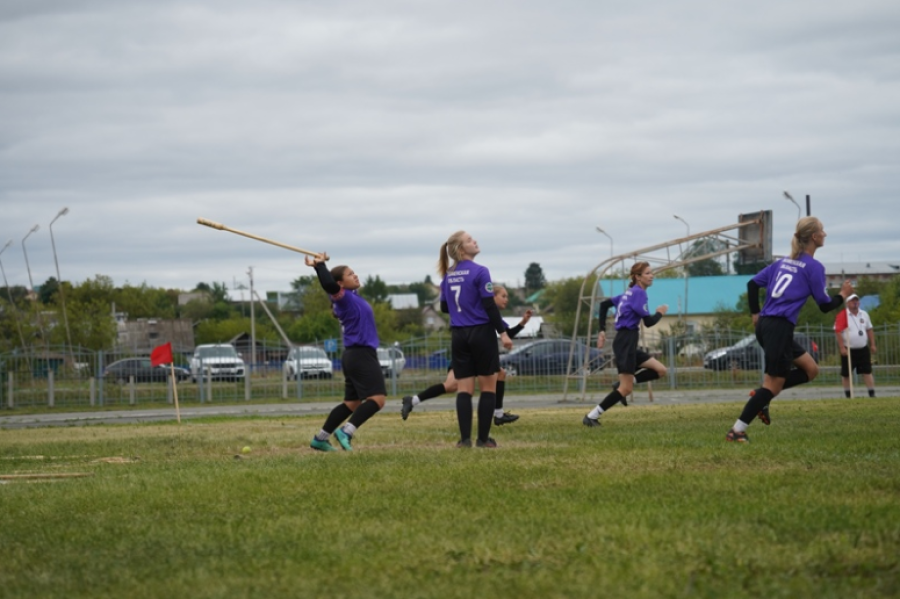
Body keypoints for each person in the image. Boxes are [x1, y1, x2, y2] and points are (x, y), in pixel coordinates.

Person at [726, 216, 853, 443]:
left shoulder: (783, 262)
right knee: (772, 384)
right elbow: (825, 306)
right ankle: (737, 430)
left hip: (768, 325)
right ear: (814, 237)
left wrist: (755, 313)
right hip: (778, 328)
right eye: (822, 230)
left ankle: (763, 395)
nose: (825, 234)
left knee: (811, 369)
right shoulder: (813, 267)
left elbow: (752, 284)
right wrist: (842, 295)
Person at [401, 284, 533, 424]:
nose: (506, 299)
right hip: (467, 354)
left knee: (500, 373)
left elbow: (507, 334)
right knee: (451, 385)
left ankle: (498, 414)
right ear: (492, 296)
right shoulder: (482, 310)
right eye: (503, 296)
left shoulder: (492, 312)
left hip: (478, 355)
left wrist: (523, 322)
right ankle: (413, 400)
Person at [438, 231, 513, 448]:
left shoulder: (448, 274)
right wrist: (504, 333)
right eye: (470, 240)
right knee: (488, 387)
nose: (475, 241)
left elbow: (444, 306)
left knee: (464, 389)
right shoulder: (480, 271)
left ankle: (464, 440)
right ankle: (482, 439)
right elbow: (489, 305)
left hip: (459, 335)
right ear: (461, 250)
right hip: (481, 332)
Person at [306, 254, 386, 452]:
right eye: (350, 274)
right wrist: (321, 266)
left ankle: (320, 438)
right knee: (377, 399)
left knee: (351, 403)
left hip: (354, 355)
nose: (355, 276)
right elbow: (328, 284)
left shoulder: (352, 296)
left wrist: (319, 265)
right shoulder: (343, 297)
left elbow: (331, 282)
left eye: (354, 272)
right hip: (360, 354)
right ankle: (347, 431)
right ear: (340, 282)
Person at [583, 261, 668, 427]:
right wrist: (660, 312)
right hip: (626, 341)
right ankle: (592, 416)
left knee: (660, 370)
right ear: (637, 277)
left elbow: (604, 305)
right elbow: (649, 322)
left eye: (651, 273)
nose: (652, 276)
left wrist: (601, 330)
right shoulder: (639, 293)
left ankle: (619, 386)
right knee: (626, 389)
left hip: (627, 341)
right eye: (647, 273)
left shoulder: (628, 293)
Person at [834, 293, 877, 398]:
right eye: (853, 301)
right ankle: (848, 395)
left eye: (856, 300)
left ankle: (872, 394)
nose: (855, 303)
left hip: (862, 348)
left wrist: (873, 344)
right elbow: (838, 331)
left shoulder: (864, 314)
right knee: (846, 374)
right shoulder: (843, 315)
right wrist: (841, 347)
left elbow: (869, 329)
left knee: (867, 371)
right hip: (849, 349)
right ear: (848, 303)